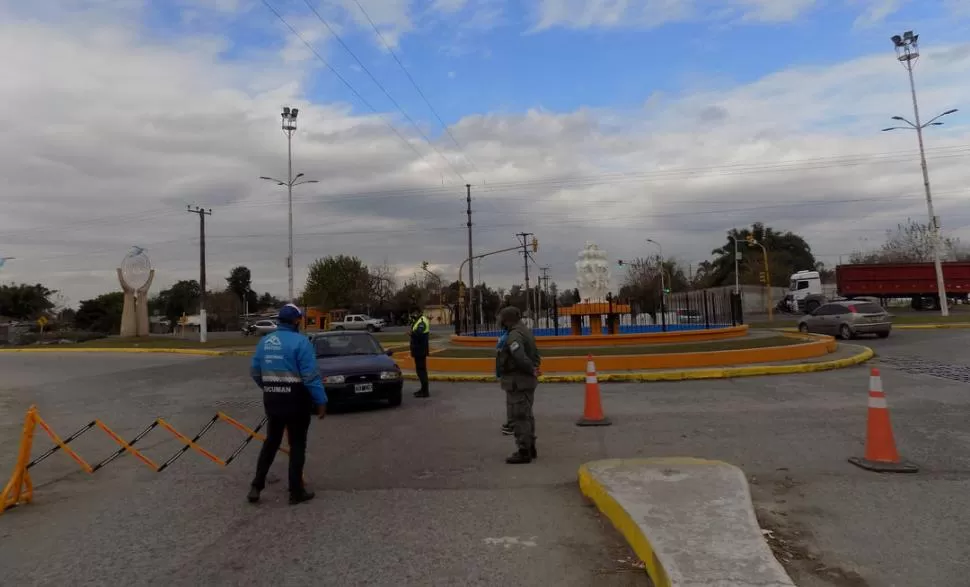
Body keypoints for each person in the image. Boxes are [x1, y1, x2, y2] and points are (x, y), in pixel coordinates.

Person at [247, 303, 327, 505]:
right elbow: (310, 376)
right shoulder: (301, 342)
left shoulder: (265, 341)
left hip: (273, 400)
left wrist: (269, 387)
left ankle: (256, 485)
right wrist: (321, 400)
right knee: (297, 444)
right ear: (296, 321)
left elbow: (255, 371)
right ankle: (296, 491)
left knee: (271, 442)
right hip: (296, 400)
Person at [495, 306, 542, 464]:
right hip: (524, 381)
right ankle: (530, 447)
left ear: (507, 319)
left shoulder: (514, 335)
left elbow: (520, 357)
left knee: (519, 416)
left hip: (518, 381)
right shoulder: (523, 330)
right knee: (527, 415)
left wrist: (531, 369)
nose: (500, 321)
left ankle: (524, 451)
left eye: (501, 318)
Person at [410, 306, 431, 398]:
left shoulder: (422, 320)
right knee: (420, 371)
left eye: (413, 313)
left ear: (417, 312)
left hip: (420, 349)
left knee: (421, 371)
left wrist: (411, 334)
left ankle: (425, 391)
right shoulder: (418, 320)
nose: (412, 315)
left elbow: (418, 333)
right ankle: (423, 389)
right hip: (418, 349)